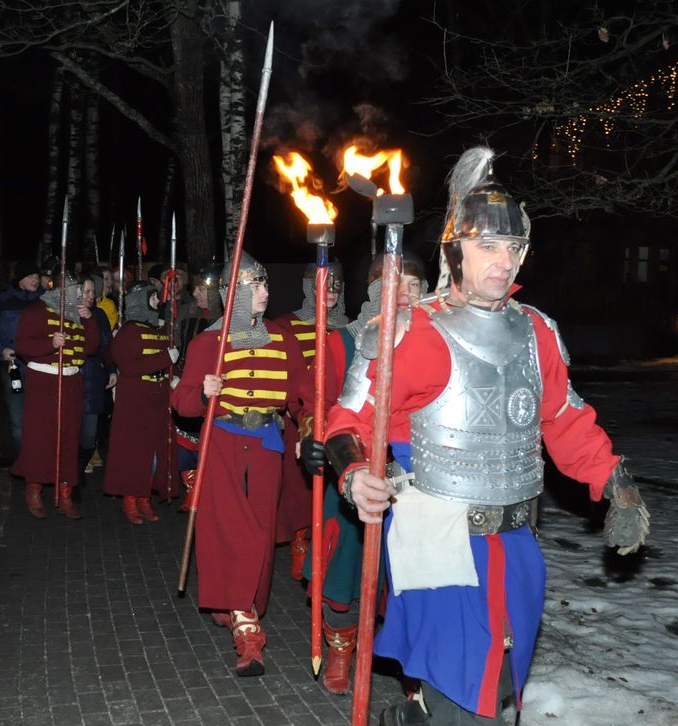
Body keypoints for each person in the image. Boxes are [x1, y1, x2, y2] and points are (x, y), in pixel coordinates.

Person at [319, 147, 650, 724]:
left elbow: (565, 418)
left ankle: (411, 719)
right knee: (465, 689)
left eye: (514, 247)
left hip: (517, 538)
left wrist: (615, 484)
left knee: (499, 682)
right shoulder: (411, 332)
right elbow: (348, 421)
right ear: (456, 251)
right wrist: (353, 474)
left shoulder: (536, 331)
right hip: (437, 535)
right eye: (489, 246)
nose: (504, 261)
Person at [170, 251, 327, 677]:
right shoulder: (208, 343)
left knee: (259, 529)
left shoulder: (282, 338)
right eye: (254, 285)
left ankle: (238, 603)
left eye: (265, 284)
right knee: (232, 530)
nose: (265, 291)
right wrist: (203, 392)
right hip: (222, 443)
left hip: (267, 445)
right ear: (231, 293)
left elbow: (301, 396)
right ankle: (248, 630)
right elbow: (181, 401)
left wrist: (309, 429)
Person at [301, 252, 426, 695]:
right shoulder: (344, 342)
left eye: (415, 285)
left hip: (417, 480)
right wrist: (311, 438)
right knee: (345, 570)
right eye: (397, 284)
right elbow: (315, 403)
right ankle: (341, 649)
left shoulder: (438, 340)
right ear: (376, 291)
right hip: (356, 473)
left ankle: (417, 670)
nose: (407, 294)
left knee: (415, 579)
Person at [274, 260, 347, 582]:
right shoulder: (286, 326)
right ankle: (301, 540)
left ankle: (328, 545)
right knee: (299, 487)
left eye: (336, 285)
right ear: (309, 287)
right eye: (324, 284)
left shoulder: (350, 327)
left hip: (341, 418)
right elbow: (284, 374)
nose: (330, 292)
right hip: (301, 416)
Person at [12, 271, 100, 519]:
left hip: (72, 381)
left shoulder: (78, 314)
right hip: (44, 382)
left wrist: (90, 320)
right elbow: (22, 345)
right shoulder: (36, 311)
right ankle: (34, 490)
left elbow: (91, 348)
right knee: (40, 438)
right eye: (77, 290)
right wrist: (49, 344)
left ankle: (65, 494)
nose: (81, 295)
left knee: (69, 438)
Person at [103, 282, 179, 523]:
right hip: (136, 399)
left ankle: (144, 496)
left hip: (158, 396)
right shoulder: (129, 331)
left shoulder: (159, 329)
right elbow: (128, 367)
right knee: (135, 452)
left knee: (155, 452)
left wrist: (174, 375)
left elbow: (166, 361)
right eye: (153, 297)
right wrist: (165, 359)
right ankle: (131, 498)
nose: (158, 302)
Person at [173, 263, 223, 508]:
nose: (195, 293)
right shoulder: (185, 314)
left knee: (210, 443)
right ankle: (191, 489)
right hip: (187, 383)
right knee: (184, 440)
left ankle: (208, 489)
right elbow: (175, 346)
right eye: (196, 288)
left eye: (202, 289)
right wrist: (174, 373)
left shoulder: (226, 320)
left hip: (215, 387)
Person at [0, 259, 42, 450]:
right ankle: (23, 458)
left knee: (39, 417)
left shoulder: (45, 300)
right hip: (13, 368)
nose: (35, 280)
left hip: (40, 368)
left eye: (37, 276)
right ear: (20, 279)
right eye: (30, 276)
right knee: (18, 419)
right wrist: (2, 349)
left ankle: (39, 458)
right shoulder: (4, 300)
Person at [78, 274, 115, 478]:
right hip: (74, 377)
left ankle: (82, 463)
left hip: (93, 378)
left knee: (89, 433)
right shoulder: (66, 313)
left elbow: (107, 344)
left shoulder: (99, 315)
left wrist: (111, 369)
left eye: (93, 291)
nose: (91, 295)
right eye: (87, 291)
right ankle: (73, 476)